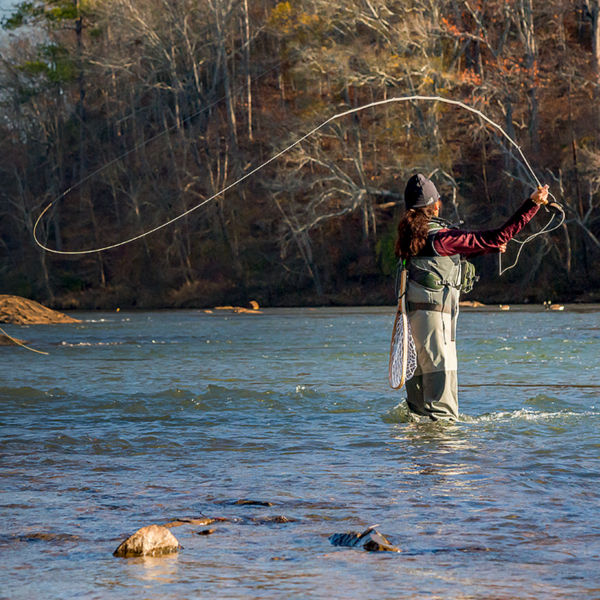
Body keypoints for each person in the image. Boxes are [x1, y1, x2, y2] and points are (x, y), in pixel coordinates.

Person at [395, 173, 549, 421]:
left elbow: (441, 260)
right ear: (435, 206)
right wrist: (533, 204)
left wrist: (486, 247)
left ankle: (421, 455)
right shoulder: (441, 237)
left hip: (411, 321)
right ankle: (444, 455)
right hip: (435, 323)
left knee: (419, 407)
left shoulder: (409, 238)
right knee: (442, 404)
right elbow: (497, 236)